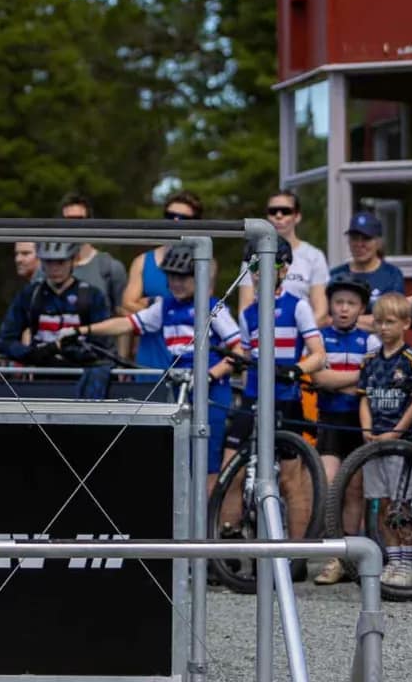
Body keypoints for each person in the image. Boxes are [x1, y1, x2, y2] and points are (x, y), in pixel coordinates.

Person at [57, 242, 244, 481]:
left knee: (206, 465)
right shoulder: (165, 307)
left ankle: (206, 517)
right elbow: (126, 323)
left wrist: (209, 375)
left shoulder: (213, 308)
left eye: (183, 278)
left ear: (198, 278)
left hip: (210, 395)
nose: (175, 283)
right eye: (171, 277)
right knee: (176, 460)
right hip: (179, 391)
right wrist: (82, 330)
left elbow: (239, 350)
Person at [221, 238, 328, 544]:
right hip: (252, 397)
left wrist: (296, 370)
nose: (260, 273)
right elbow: (243, 351)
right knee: (232, 472)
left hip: (286, 399)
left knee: (291, 481)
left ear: (284, 269)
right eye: (254, 267)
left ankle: (295, 556)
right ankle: (228, 548)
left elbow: (319, 355)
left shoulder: (299, 306)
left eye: (269, 266)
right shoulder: (248, 313)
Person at [310, 274, 378, 585]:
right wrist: (356, 377)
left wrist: (340, 379)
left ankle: (348, 557)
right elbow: (320, 380)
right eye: (339, 302)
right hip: (330, 422)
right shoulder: (320, 338)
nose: (344, 309)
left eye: (351, 303)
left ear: (362, 307)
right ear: (331, 306)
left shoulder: (372, 340)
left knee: (354, 490)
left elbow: (373, 379)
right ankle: (332, 554)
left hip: (359, 423)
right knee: (328, 485)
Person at [0, 242, 112, 398]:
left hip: (80, 378)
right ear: (41, 262)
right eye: (49, 262)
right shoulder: (30, 295)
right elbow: (6, 340)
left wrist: (70, 351)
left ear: (72, 261)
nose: (55, 268)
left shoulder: (92, 295)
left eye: (61, 262)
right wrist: (32, 353)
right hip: (41, 378)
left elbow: (101, 345)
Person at [357, 294, 412, 586]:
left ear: (406, 323)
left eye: (390, 322)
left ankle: (408, 562)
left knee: (400, 503)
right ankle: (393, 559)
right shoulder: (369, 361)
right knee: (381, 503)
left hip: (399, 444)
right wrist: (367, 428)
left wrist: (396, 432)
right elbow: (364, 400)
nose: (383, 328)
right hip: (373, 443)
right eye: (379, 322)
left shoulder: (410, 360)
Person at [120, 190, 204, 368]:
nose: (175, 221)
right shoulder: (143, 261)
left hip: (188, 361)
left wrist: (149, 306)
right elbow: (127, 304)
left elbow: (200, 308)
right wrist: (166, 309)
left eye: (183, 218)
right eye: (170, 216)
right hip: (149, 358)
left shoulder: (205, 261)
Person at [237, 190, 329, 323]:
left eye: (285, 211)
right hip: (262, 336)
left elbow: (321, 311)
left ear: (297, 216)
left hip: (302, 338)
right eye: (273, 211)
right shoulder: (253, 254)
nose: (278, 216)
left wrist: (297, 334)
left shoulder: (314, 256)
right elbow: (245, 307)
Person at [330, 212, 407, 328]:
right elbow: (323, 319)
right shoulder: (335, 275)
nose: (359, 244)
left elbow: (392, 321)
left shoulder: (392, 275)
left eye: (366, 239)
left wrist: (343, 321)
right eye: (354, 239)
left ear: (378, 242)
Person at [59, 193, 129, 315]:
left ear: (90, 223)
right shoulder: (46, 267)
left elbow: (123, 316)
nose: (73, 226)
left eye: (79, 220)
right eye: (67, 220)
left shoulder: (110, 267)